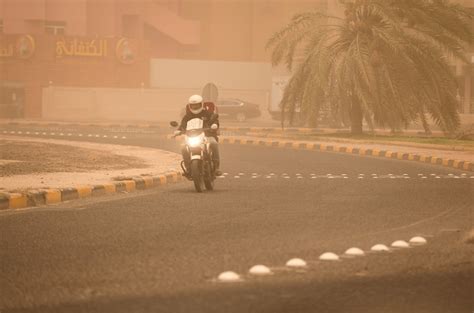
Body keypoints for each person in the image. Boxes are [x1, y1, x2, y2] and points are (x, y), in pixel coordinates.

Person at [176, 94, 222, 176]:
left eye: (197, 105)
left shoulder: (207, 113)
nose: (195, 107)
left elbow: (215, 120)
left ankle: (216, 167)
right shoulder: (187, 116)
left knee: (214, 143)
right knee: (183, 147)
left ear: (201, 104)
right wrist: (179, 130)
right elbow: (183, 125)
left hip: (207, 135)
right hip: (192, 136)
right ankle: (188, 168)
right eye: (193, 106)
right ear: (190, 106)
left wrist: (214, 125)